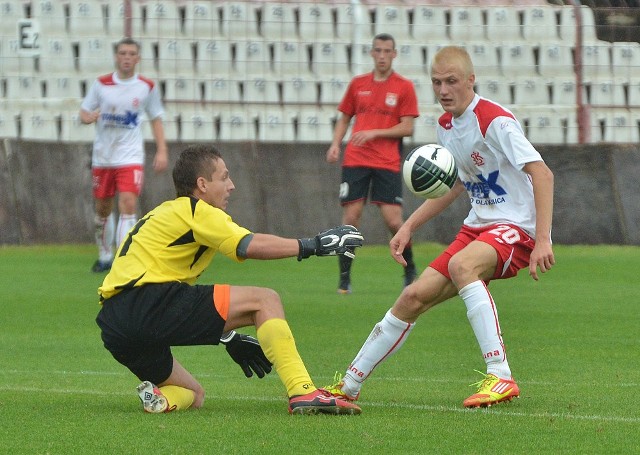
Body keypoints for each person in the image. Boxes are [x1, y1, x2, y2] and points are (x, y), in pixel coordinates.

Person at [325, 46, 555, 408]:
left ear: (470, 80)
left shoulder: (494, 120)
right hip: (478, 227)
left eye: (451, 81)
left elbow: (542, 173)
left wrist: (542, 238)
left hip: (516, 227)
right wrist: (409, 226)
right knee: (411, 297)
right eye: (437, 82)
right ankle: (347, 387)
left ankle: (501, 376)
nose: (444, 90)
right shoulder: (446, 126)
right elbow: (458, 184)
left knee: (462, 266)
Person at [95, 144, 364, 415]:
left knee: (194, 394)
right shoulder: (196, 210)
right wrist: (314, 245)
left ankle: (160, 401)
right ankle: (302, 392)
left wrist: (229, 336)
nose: (231, 185)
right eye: (224, 177)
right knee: (264, 300)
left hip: (115, 323)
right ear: (202, 184)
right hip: (149, 302)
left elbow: (166, 290)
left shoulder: (161, 212)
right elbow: (248, 245)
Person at [326, 33, 419, 294]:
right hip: (356, 159)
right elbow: (344, 118)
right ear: (371, 53)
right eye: (377, 50)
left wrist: (375, 132)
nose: (381, 56)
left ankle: (409, 269)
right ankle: (344, 278)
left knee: (393, 221)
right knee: (351, 218)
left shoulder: (404, 86)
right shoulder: (358, 84)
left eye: (387, 51)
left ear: (394, 54)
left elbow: (408, 127)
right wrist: (335, 144)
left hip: (386, 162)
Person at [80, 37, 169, 273]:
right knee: (103, 209)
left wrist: (162, 150)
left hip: (130, 156)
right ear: (116, 57)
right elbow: (84, 111)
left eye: (131, 53)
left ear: (138, 58)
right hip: (103, 157)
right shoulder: (101, 84)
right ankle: (104, 254)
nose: (127, 57)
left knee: (128, 204)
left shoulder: (146, 87)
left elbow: (156, 118)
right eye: (122, 53)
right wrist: (87, 117)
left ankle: (123, 257)